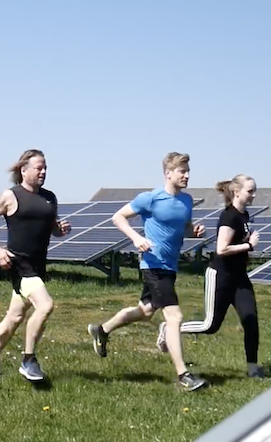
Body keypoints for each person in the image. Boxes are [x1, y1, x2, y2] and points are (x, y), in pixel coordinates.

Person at [87, 152, 208, 391]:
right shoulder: (150, 199)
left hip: (170, 266)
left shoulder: (186, 201)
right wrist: (136, 238)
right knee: (174, 317)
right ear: (168, 173)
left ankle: (102, 330)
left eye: (188, 171)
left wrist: (193, 232)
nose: (186, 175)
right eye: (182, 171)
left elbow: (182, 229)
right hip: (153, 265)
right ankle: (183, 374)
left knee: (145, 311)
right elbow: (118, 217)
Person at [0, 149, 70, 381]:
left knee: (15, 317)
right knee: (45, 305)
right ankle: (28, 360)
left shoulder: (50, 198)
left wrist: (59, 230)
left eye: (45, 168)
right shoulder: (11, 196)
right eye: (38, 167)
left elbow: (50, 228)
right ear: (23, 170)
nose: (43, 172)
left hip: (38, 266)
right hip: (19, 263)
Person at [178, 175, 265, 378]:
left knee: (251, 320)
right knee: (210, 326)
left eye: (254, 190)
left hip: (239, 277)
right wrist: (249, 245)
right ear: (237, 192)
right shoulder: (229, 217)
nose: (254, 195)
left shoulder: (244, 216)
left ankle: (253, 368)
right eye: (250, 191)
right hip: (221, 276)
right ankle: (171, 329)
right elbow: (221, 249)